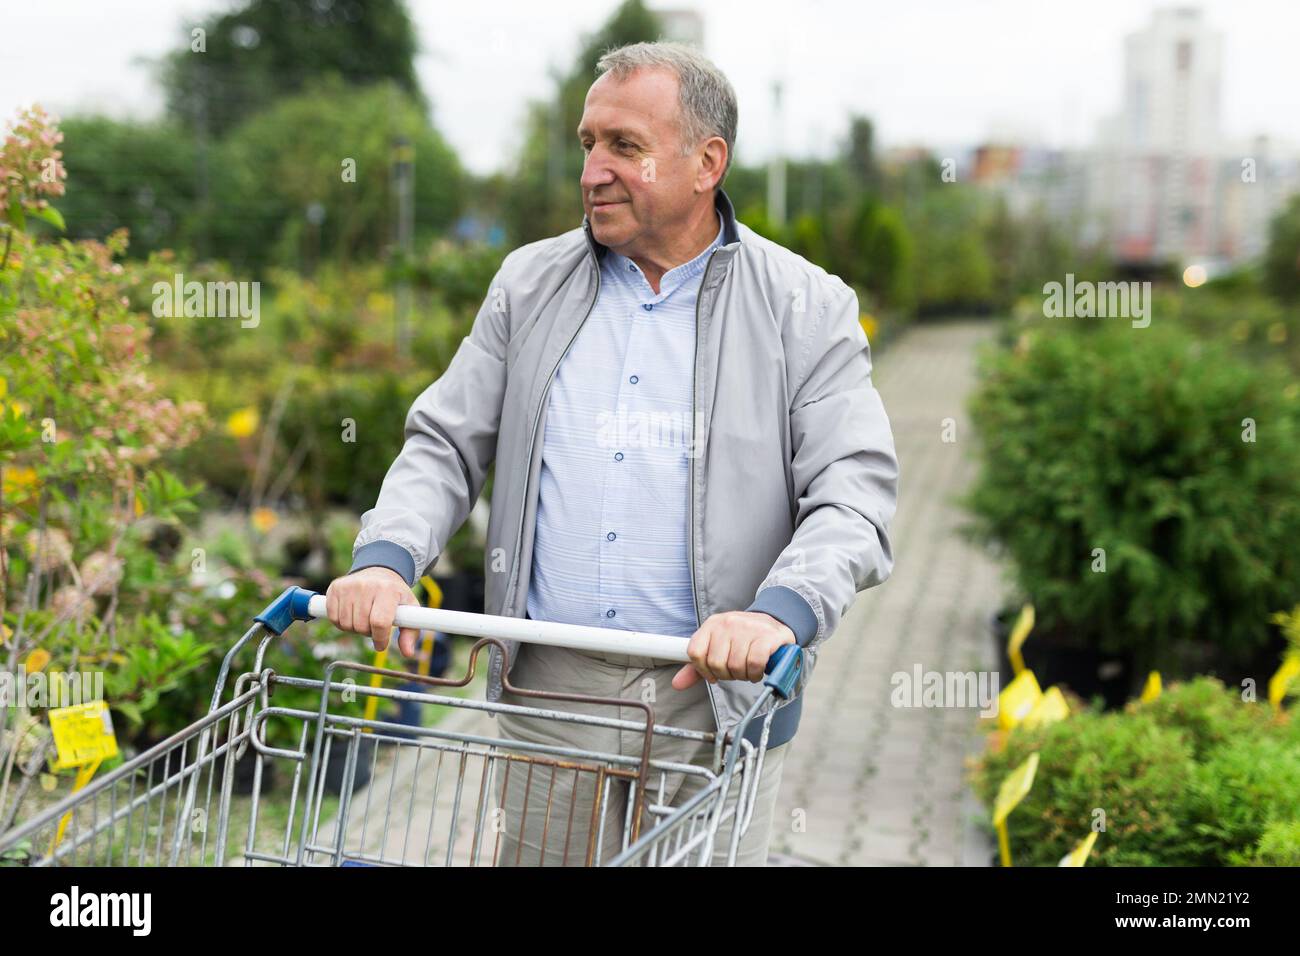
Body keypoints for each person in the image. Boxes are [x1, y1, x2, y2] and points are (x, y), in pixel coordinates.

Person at [324, 40, 899, 866]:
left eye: (625, 146)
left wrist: (777, 615)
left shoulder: (806, 307)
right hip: (549, 695)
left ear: (708, 163)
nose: (594, 169)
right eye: (588, 143)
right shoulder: (527, 285)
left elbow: (855, 497)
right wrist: (386, 559)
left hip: (716, 701)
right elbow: (446, 443)